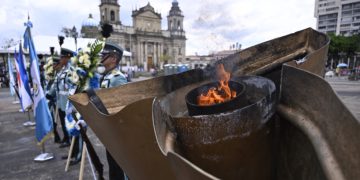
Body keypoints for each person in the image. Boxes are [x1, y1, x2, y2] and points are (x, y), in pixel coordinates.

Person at [99, 42, 128, 180]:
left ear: (113, 59)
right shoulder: (106, 76)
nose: (101, 56)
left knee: (118, 164)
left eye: (105, 55)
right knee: (112, 161)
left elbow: (124, 105)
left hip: (116, 128)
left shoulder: (118, 78)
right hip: (108, 126)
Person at [47, 48, 74, 148]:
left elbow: (73, 88)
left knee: (69, 124)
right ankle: (67, 139)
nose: (60, 60)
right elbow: (56, 84)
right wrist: (50, 94)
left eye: (62, 57)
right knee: (63, 123)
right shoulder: (62, 71)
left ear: (68, 58)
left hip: (68, 103)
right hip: (60, 102)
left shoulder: (71, 71)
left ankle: (71, 143)